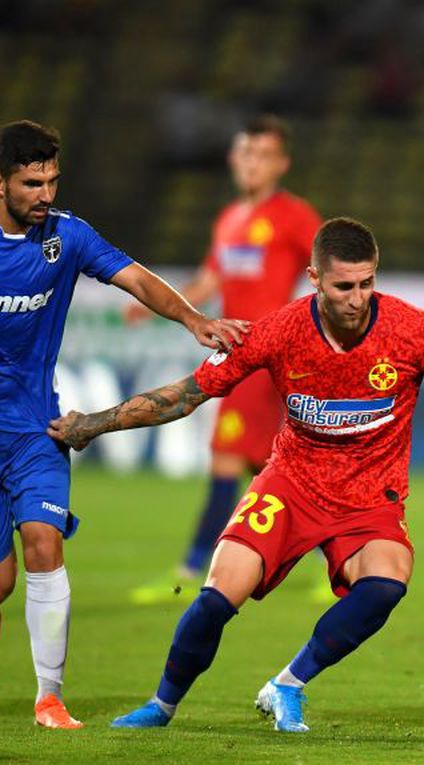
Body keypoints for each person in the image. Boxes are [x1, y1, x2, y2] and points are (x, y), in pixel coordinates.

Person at [49, 217, 424, 731]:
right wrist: (94, 423)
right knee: (218, 596)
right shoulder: (279, 332)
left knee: (387, 582)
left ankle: (288, 684)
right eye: (344, 286)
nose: (357, 298)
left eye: (367, 282)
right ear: (315, 278)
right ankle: (162, 705)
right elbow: (186, 395)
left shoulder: (416, 332)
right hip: (291, 485)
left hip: (370, 497)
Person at [0, 120, 247, 730]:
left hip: (41, 426)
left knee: (45, 544)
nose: (45, 195)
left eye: (53, 181)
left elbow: (136, 277)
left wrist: (193, 320)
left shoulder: (68, 236)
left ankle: (49, 697)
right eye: (32, 183)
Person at [159, 115, 320, 583]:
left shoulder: (294, 216)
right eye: (246, 152)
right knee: (266, 465)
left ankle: (190, 568)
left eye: (264, 155)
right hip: (234, 351)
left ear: (282, 164)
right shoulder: (230, 219)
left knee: (227, 456)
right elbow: (210, 280)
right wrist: (158, 304)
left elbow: (328, 269)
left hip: (264, 353)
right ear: (233, 158)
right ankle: (339, 559)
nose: (253, 163)